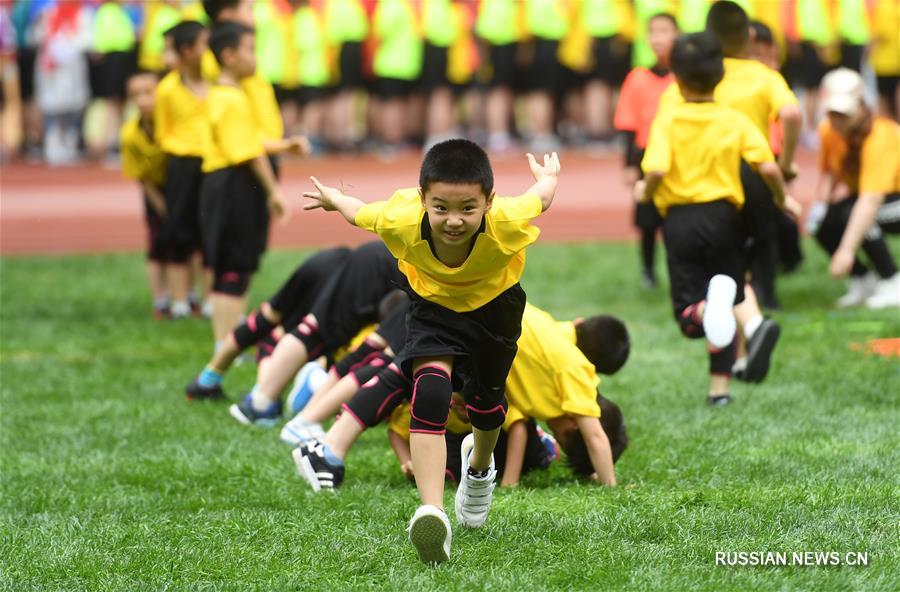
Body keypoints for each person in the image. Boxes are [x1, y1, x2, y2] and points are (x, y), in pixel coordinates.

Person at [299, 138, 559, 564]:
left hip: (495, 313)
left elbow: (540, 199)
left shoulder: (507, 219)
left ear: (489, 202)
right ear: (423, 200)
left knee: (487, 406)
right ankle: (432, 512)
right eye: (440, 208)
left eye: (467, 210)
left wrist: (547, 179)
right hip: (433, 310)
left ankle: (478, 472)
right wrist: (334, 199)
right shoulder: (401, 217)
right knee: (431, 390)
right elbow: (360, 212)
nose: (453, 221)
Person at [289, 304, 628, 490]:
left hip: (479, 331)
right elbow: (596, 436)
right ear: (575, 422)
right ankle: (329, 450)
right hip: (473, 320)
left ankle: (329, 449)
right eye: (566, 436)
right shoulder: (578, 374)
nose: (558, 428)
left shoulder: (549, 389)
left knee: (406, 378)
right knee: (400, 377)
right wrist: (610, 485)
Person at [639, 31, 791, 406]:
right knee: (726, 292)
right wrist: (781, 198)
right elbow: (769, 168)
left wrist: (643, 192)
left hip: (679, 222)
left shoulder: (668, 119)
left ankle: (707, 309)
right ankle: (719, 391)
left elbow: (656, 170)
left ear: (675, 76)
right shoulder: (733, 119)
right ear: (721, 74)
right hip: (726, 219)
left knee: (692, 314)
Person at [228, 241, 404, 425]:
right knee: (380, 351)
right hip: (403, 268)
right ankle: (302, 419)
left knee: (313, 330)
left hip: (381, 254)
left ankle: (264, 402)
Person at [198, 22, 288, 350]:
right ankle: (225, 344)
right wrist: (273, 191)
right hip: (233, 186)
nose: (255, 58)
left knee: (237, 264)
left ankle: (228, 340)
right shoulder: (229, 99)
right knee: (234, 266)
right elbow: (248, 153)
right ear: (229, 55)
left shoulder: (229, 95)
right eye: (250, 50)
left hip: (228, 184)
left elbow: (252, 141)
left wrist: (284, 146)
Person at [185, 247, 352, 400]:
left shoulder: (332, 258)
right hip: (347, 278)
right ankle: (262, 398)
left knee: (267, 322)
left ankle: (206, 380)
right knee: (307, 341)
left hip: (328, 262)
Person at [812, 68, 900, 309]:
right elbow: (831, 172)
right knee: (824, 224)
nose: (838, 120)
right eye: (833, 113)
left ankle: (892, 279)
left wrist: (846, 250)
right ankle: (863, 279)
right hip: (867, 196)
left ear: (862, 107)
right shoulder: (829, 130)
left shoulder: (881, 135)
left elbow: (871, 200)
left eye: (844, 113)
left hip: (892, 198)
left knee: (859, 217)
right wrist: (821, 209)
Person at [613, 11, 678, 288]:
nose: (658, 38)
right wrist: (629, 165)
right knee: (647, 219)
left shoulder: (684, 78)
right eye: (653, 32)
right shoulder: (637, 78)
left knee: (676, 219)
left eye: (664, 31)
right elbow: (627, 124)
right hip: (646, 156)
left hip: (678, 155)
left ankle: (679, 269)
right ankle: (648, 270)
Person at [154, 20, 209, 319]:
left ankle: (207, 297)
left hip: (212, 162)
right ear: (187, 51)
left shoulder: (215, 84)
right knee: (178, 230)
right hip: (181, 165)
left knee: (209, 232)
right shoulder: (167, 90)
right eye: (203, 44)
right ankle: (178, 300)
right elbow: (163, 133)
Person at [119, 70, 170, 319]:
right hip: (154, 189)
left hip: (181, 186)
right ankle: (160, 300)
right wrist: (159, 204)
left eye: (148, 93)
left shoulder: (171, 124)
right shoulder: (130, 134)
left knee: (189, 243)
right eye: (135, 95)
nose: (142, 100)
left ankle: (190, 296)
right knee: (157, 242)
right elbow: (142, 176)